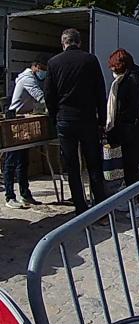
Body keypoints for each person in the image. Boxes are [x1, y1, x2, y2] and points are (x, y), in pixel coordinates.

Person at [44, 28, 107, 215]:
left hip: (65, 119)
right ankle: (101, 209)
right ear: (79, 42)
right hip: (87, 119)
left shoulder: (53, 63)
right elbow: (100, 91)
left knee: (72, 166)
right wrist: (102, 119)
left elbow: (49, 94)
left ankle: (80, 208)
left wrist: (54, 116)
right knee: (94, 164)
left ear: (63, 43)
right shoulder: (90, 60)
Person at [105, 49, 139, 217]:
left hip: (129, 130)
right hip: (129, 129)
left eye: (113, 66)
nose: (111, 70)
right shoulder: (130, 79)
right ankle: (131, 200)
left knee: (132, 169)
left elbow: (127, 108)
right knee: (129, 168)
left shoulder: (131, 81)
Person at [4, 55, 49, 208]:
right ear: (35, 66)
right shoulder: (28, 79)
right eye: (42, 69)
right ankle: (9, 196)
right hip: (14, 120)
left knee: (23, 160)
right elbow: (41, 97)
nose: (44, 72)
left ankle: (25, 194)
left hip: (24, 120)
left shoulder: (35, 79)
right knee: (12, 160)